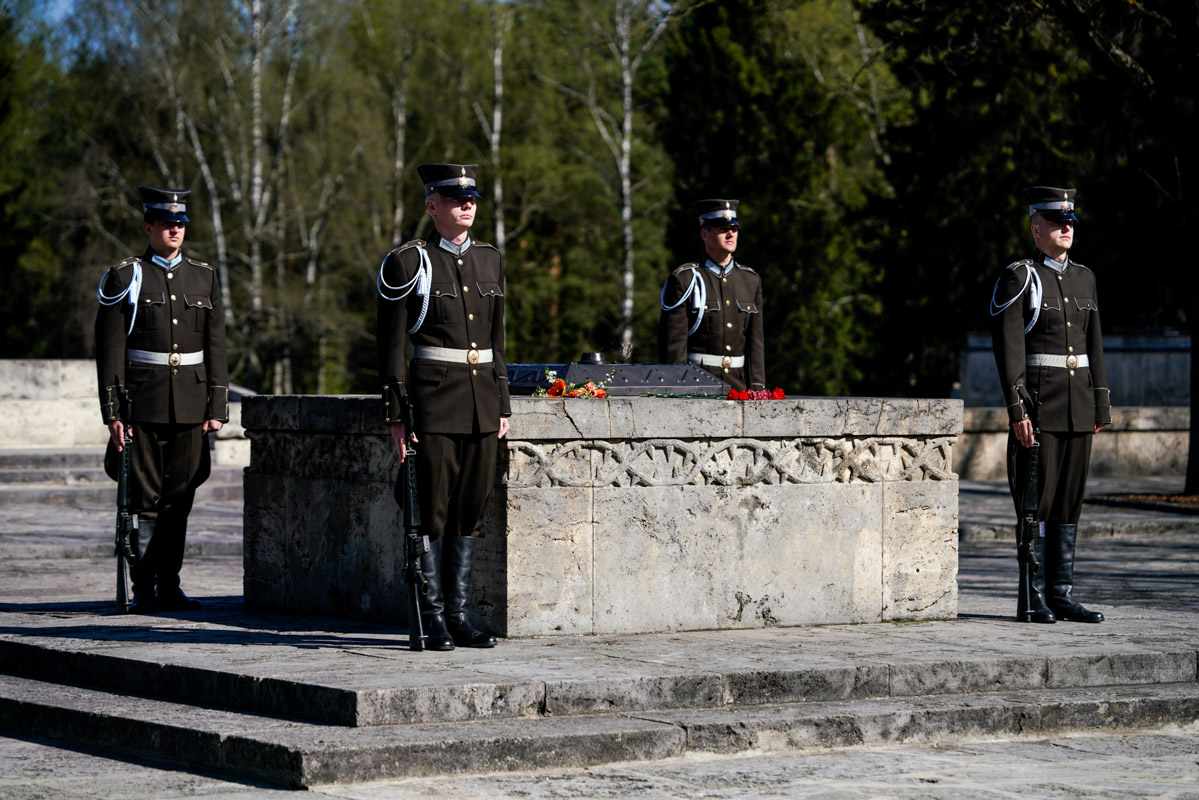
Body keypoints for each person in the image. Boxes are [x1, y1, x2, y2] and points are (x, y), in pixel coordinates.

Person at [377, 163, 511, 650]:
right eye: (455, 198)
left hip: (481, 404)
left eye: (471, 197)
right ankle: (431, 617)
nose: (467, 204)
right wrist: (396, 414)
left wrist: (503, 403)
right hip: (433, 403)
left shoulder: (491, 261)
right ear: (432, 205)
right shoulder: (408, 262)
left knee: (469, 510)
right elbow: (391, 347)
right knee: (430, 510)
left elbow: (497, 341)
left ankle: (457, 616)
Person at [95, 186, 229, 613]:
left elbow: (216, 345)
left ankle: (170, 584)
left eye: (181, 223)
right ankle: (144, 587)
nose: (175, 229)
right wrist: (113, 412)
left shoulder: (204, 276)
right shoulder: (126, 276)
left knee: (180, 496)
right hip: (144, 403)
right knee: (143, 498)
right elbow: (110, 349)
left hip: (190, 404)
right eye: (167, 223)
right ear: (147, 226)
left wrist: (217, 406)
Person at [990, 185, 1111, 624]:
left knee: (1069, 503)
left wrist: (1100, 405)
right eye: (1057, 222)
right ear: (1035, 227)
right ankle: (1031, 596)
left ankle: (1061, 593)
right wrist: (1017, 410)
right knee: (1035, 505)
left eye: (1070, 222)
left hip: (1079, 407)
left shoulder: (1085, 278)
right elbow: (1008, 349)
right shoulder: (1021, 277)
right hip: (1040, 409)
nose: (1066, 228)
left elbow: (1093, 346)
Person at [659, 199, 765, 391]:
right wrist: (677, 388)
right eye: (722, 228)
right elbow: (675, 345)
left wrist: (757, 387)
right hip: (697, 383)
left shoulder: (751, 280)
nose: (730, 233)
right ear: (705, 234)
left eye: (734, 228)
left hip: (738, 386)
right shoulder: (685, 279)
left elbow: (755, 342)